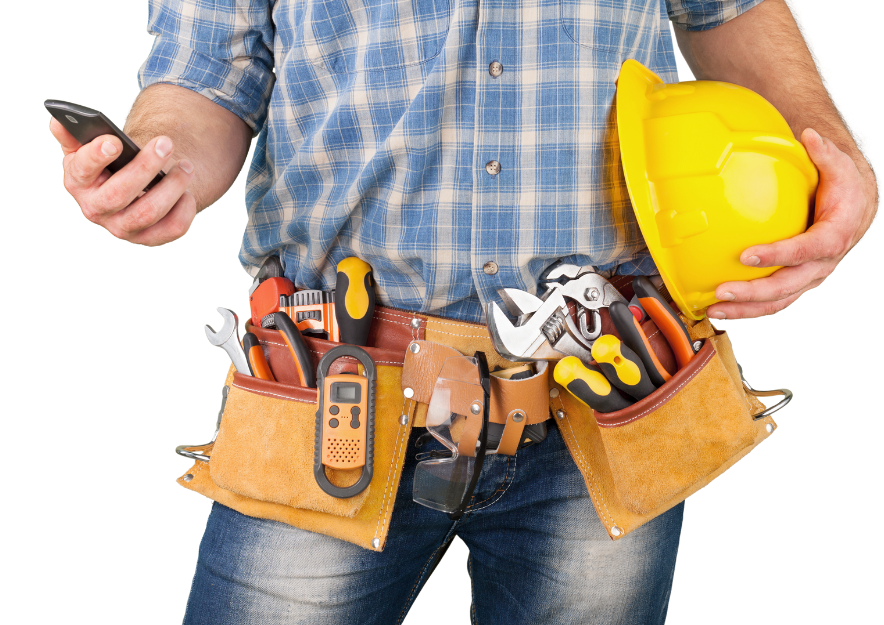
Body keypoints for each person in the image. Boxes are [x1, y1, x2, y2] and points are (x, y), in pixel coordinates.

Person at [49, 0, 877, 623]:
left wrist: (828, 149)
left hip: (599, 397)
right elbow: (204, 74)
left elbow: (726, 10)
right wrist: (159, 167)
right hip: (333, 404)